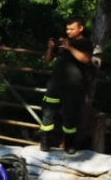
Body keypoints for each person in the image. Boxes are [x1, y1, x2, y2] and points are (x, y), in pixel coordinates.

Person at [39, 16, 94, 155]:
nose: (68, 31)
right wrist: (50, 48)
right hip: (55, 84)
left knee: (70, 114)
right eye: (67, 29)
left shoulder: (85, 43)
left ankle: (69, 143)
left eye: (72, 29)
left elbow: (86, 59)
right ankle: (45, 140)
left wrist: (70, 47)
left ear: (81, 28)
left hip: (72, 86)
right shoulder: (62, 41)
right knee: (48, 113)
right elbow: (47, 60)